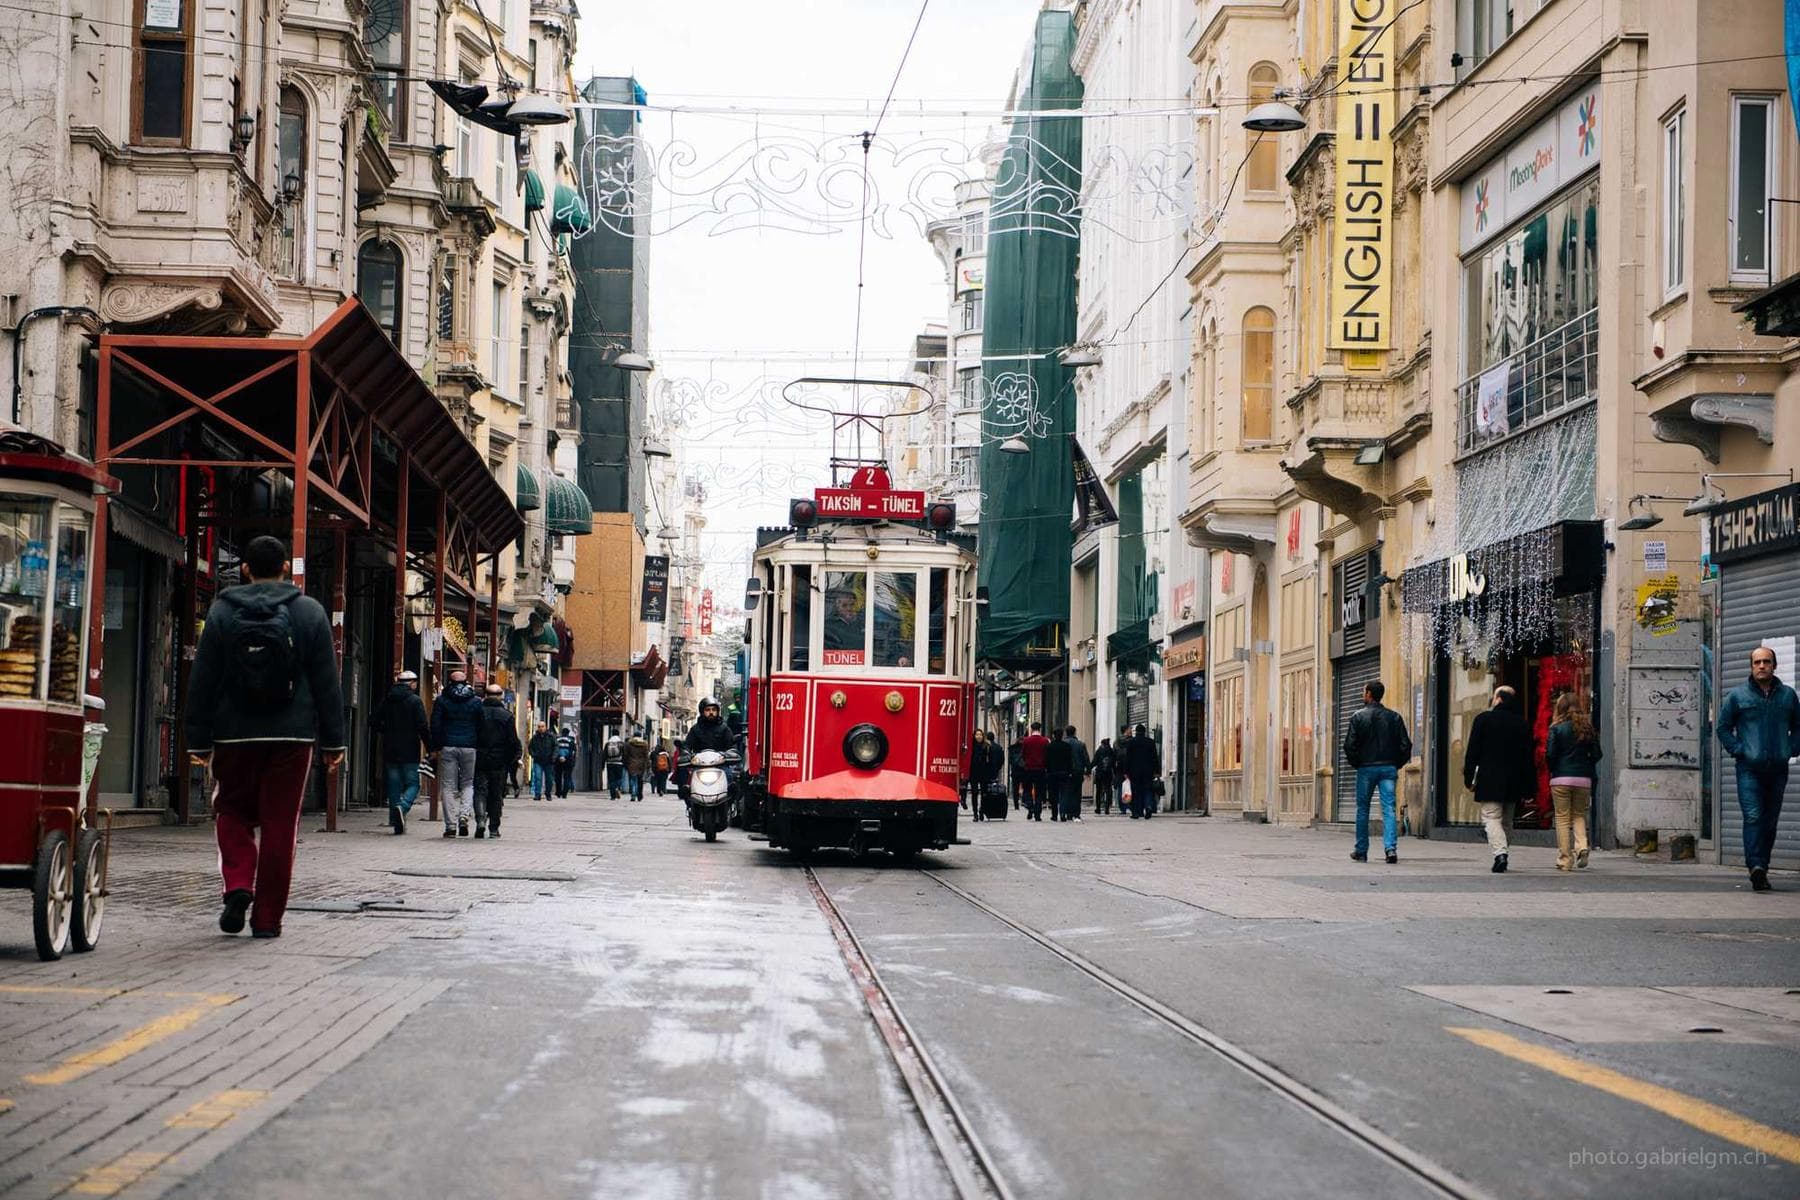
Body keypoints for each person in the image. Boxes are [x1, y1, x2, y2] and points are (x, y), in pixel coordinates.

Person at [185, 535, 344, 939]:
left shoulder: (221, 611)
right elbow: (327, 682)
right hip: (292, 737)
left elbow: (202, 679)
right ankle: (268, 919)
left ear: (244, 569)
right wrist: (333, 742)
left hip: (233, 733)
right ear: (286, 570)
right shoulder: (309, 612)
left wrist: (198, 740)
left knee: (230, 810)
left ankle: (238, 884)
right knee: (280, 824)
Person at [1717, 645, 1800, 892]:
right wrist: (1739, 750)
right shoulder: (1738, 696)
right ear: (1751, 667)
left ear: (1774, 665)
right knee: (1753, 816)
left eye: (1766, 661)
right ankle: (1756, 867)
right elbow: (1723, 727)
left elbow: (1798, 726)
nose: (1761, 666)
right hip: (1749, 768)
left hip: (1777, 768)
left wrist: (1792, 748)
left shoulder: (1787, 696)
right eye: (1757, 662)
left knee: (1770, 821)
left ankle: (1762, 865)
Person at [1463, 685, 1536, 872]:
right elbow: (1528, 757)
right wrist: (1529, 787)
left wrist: (1469, 777)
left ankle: (1500, 854)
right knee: (1507, 821)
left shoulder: (1483, 720)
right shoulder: (1522, 723)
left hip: (1489, 779)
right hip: (1513, 781)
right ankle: (1502, 852)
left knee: (1491, 817)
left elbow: (1472, 752)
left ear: (1498, 699)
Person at [1343, 680, 1412, 864]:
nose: (1362, 694)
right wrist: (1396, 764)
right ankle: (1390, 849)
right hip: (1388, 767)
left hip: (1366, 768)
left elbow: (1349, 745)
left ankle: (1361, 850)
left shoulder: (1358, 717)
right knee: (1389, 808)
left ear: (1368, 694)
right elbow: (1406, 745)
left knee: (1363, 809)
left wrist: (1358, 763)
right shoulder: (1394, 717)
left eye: (1363, 692)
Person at [1545, 692, 1602, 872]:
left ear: (1560, 708)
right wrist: (1585, 763)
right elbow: (1598, 754)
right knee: (1579, 815)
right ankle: (1582, 846)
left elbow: (1550, 755)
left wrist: (1554, 768)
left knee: (1562, 818)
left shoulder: (1556, 728)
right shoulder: (1587, 728)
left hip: (1561, 777)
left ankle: (1565, 859)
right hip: (1583, 779)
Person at [374, 669, 430, 835]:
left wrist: (387, 731)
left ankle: (394, 818)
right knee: (413, 783)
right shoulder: (415, 701)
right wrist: (430, 746)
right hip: (410, 748)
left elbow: (373, 720)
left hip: (390, 747)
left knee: (394, 784)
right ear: (412, 683)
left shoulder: (387, 700)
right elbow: (422, 726)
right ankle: (403, 806)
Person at [430, 667, 484, 837]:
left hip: (448, 746)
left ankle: (450, 826)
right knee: (468, 783)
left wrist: (436, 746)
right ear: (466, 682)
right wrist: (478, 744)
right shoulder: (476, 701)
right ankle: (464, 817)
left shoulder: (442, 700)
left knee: (448, 785)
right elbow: (481, 725)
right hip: (469, 746)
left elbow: (435, 725)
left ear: (450, 682)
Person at [473, 683, 519, 838]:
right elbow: (512, 740)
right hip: (499, 761)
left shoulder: (477, 712)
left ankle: (480, 820)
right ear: (500, 696)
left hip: (480, 757)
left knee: (480, 790)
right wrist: (511, 759)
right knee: (496, 794)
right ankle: (494, 828)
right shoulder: (507, 716)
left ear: (485, 695)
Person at [1121, 724, 1161, 820]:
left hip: (1134, 772)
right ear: (1145, 732)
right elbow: (1155, 757)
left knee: (1136, 791)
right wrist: (1157, 771)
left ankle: (1136, 812)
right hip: (1148, 771)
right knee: (1147, 790)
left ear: (1136, 732)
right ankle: (1148, 807)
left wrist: (1125, 771)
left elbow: (1128, 758)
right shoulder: (1150, 742)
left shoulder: (1131, 742)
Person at [968, 729, 1003, 821]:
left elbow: (991, 760)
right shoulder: (971, 746)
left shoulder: (987, 746)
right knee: (974, 793)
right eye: (977, 735)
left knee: (984, 793)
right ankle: (975, 813)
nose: (978, 736)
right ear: (974, 736)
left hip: (984, 773)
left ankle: (981, 811)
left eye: (980, 735)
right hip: (973, 772)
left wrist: (992, 773)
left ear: (983, 736)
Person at [1018, 722, 1050, 820]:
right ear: (1040, 729)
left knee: (1027, 790)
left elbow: (1022, 755)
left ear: (1031, 729)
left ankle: (1030, 806)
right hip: (1040, 769)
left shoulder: (1026, 741)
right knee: (1039, 792)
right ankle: (1037, 814)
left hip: (1028, 769)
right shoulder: (1045, 741)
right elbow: (1047, 755)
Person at [823, 583, 864, 653]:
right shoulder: (828, 625)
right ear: (837, 606)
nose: (849, 609)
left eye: (852, 605)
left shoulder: (863, 623)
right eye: (844, 605)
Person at [1044, 727, 1072, 822]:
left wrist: (1047, 771)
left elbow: (1046, 761)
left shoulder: (1049, 746)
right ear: (1062, 735)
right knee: (1064, 794)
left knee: (1053, 795)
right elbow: (1070, 761)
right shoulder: (1067, 746)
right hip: (1064, 773)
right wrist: (1069, 772)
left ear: (1053, 736)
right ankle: (1063, 814)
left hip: (1052, 774)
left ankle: (1054, 815)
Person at [1062, 725, 1090, 822]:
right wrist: (1088, 771)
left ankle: (1067, 813)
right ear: (1075, 733)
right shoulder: (1081, 744)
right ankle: (1076, 813)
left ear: (1066, 732)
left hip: (1065, 772)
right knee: (1077, 793)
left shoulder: (1063, 743)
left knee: (1066, 792)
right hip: (1078, 771)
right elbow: (1086, 758)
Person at [527, 720, 557, 801]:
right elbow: (530, 747)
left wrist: (554, 757)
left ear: (545, 727)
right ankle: (537, 794)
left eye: (542, 726)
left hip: (549, 761)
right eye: (539, 727)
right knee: (538, 778)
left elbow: (556, 747)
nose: (541, 728)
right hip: (538, 761)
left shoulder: (551, 736)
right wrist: (533, 754)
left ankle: (548, 793)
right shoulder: (535, 737)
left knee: (549, 779)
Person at [1091, 737, 1117, 815]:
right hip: (1108, 773)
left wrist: (1088, 769)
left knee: (1099, 791)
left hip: (1099, 773)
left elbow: (1094, 762)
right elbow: (1114, 763)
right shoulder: (1111, 751)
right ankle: (1107, 809)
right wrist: (1115, 773)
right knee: (1108, 790)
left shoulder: (1099, 751)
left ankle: (1098, 808)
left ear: (1102, 744)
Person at [623, 727, 651, 801]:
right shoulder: (644, 744)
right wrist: (648, 765)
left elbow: (625, 755)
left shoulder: (629, 744)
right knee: (640, 780)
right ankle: (639, 794)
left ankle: (633, 794)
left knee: (632, 779)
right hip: (641, 765)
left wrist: (625, 763)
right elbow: (646, 756)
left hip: (631, 764)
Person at [553, 722, 578, 798]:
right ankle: (564, 793)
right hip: (568, 761)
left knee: (558, 777)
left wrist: (559, 757)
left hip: (558, 761)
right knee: (567, 777)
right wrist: (567, 758)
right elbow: (573, 751)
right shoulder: (571, 741)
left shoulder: (557, 739)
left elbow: (555, 749)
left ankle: (558, 792)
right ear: (568, 733)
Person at [602, 729, 626, 799]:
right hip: (619, 763)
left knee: (611, 779)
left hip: (609, 763)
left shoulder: (608, 743)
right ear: (618, 734)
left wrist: (603, 764)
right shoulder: (621, 743)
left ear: (612, 734)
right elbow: (624, 754)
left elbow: (604, 755)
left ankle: (612, 796)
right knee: (619, 778)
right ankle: (617, 787)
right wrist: (624, 763)